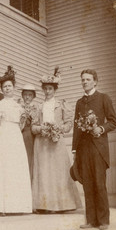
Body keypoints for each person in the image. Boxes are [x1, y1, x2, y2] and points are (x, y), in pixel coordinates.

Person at [72, 69, 116, 230]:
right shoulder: (79, 102)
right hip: (83, 148)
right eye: (83, 79)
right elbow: (76, 127)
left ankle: (103, 221)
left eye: (88, 79)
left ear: (95, 81)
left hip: (98, 147)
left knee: (99, 183)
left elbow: (113, 121)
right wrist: (74, 150)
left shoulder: (104, 98)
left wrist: (101, 129)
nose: (84, 82)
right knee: (87, 184)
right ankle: (91, 220)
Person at [31, 68, 82, 212]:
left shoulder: (61, 105)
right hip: (41, 143)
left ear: (55, 90)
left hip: (56, 141)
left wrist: (57, 128)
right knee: (44, 172)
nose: (47, 91)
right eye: (45, 89)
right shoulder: (38, 107)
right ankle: (44, 205)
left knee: (58, 172)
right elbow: (33, 127)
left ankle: (62, 205)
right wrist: (41, 128)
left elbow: (68, 124)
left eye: (50, 89)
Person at [0, 67, 32, 215]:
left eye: (9, 86)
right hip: (4, 135)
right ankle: (1, 206)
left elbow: (21, 125)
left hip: (16, 137)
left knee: (16, 170)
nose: (7, 89)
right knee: (3, 169)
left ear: (14, 88)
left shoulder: (19, 106)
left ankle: (17, 206)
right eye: (4, 87)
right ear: (2, 89)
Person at [18, 84, 39, 180]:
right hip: (19, 134)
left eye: (30, 95)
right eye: (25, 94)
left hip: (31, 135)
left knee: (30, 158)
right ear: (22, 95)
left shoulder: (36, 108)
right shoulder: (18, 106)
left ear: (33, 96)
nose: (27, 97)